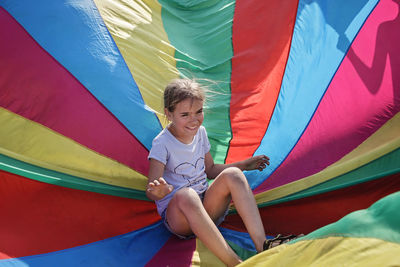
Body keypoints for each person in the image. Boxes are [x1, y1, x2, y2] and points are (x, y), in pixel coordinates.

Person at [146, 79, 273, 266]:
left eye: (199, 111)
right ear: (169, 114)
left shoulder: (201, 132)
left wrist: (244, 165)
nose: (194, 120)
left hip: (206, 208)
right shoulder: (162, 143)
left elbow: (211, 170)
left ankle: (263, 246)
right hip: (180, 218)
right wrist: (157, 192)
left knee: (234, 175)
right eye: (185, 114)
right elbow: (151, 189)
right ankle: (235, 263)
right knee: (187, 195)